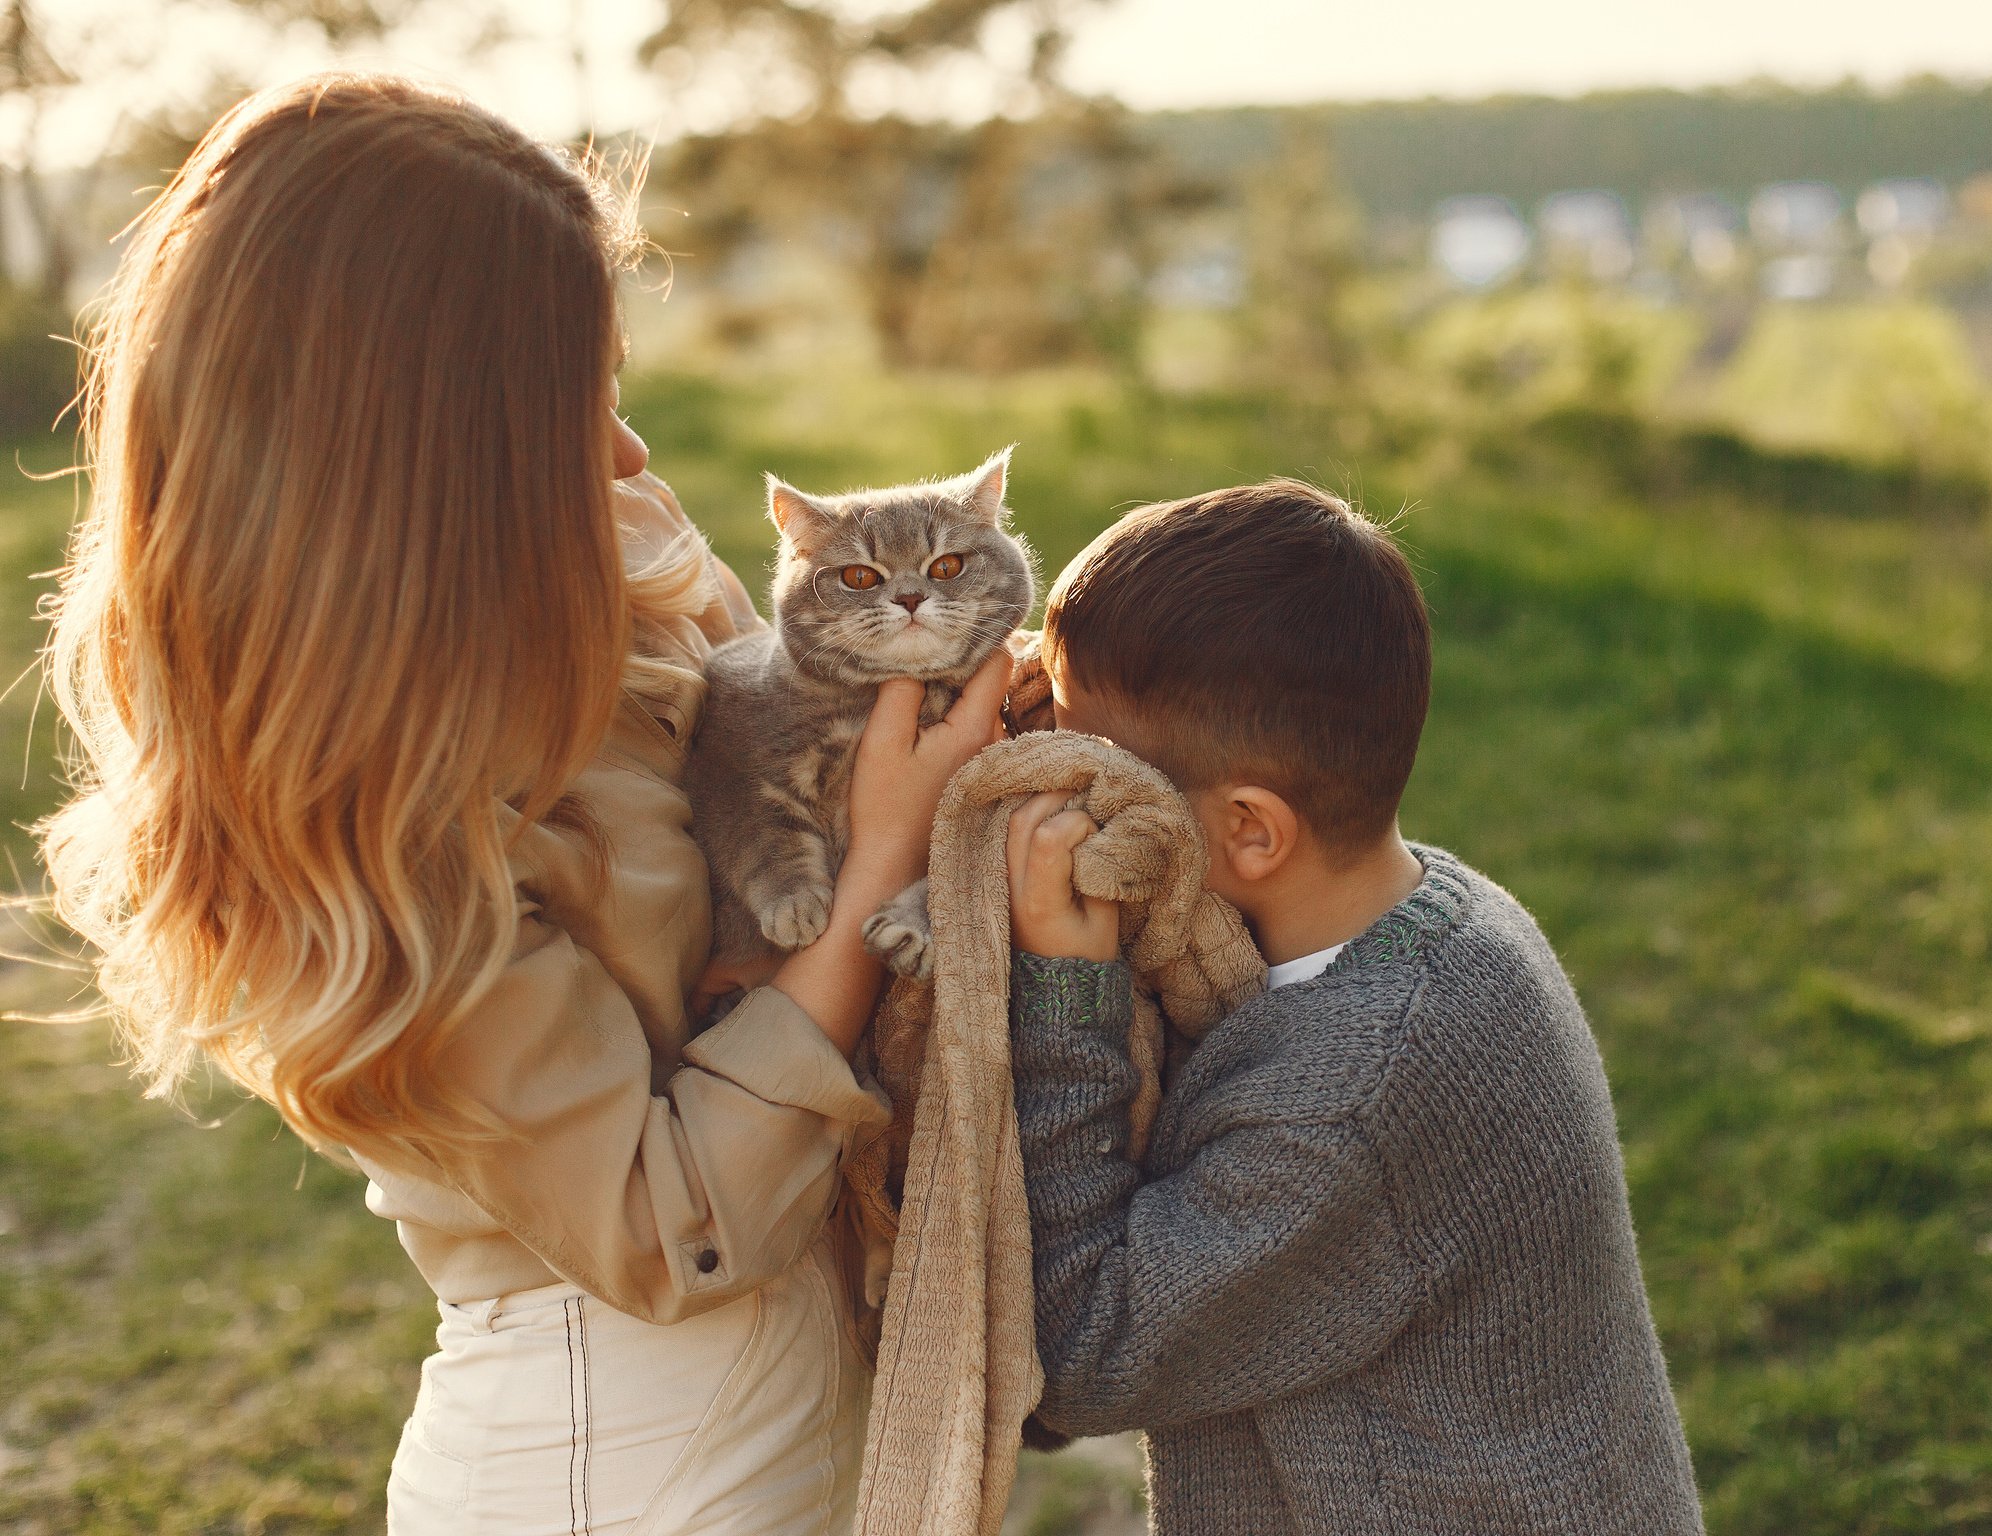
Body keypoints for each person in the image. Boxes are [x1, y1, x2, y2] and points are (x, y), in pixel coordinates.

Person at [38, 73, 1009, 1535]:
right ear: (421, 461)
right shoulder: (375, 817)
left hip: (820, 1390)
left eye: (611, 386)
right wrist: (875, 873)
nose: (627, 451)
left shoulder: (606, 554)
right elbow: (664, 1222)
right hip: (628, 1460)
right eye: (572, 405)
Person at [1002, 480, 1706, 1534]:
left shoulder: (1351, 1097)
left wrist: (1065, 988)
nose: (1053, 782)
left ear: (1248, 831)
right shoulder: (1441, 915)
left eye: (1090, 764)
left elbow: (1082, 1351)